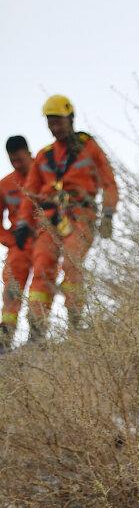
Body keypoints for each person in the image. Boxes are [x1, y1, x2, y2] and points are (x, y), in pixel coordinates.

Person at [17, 98, 117, 338]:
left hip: (80, 215)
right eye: (50, 122)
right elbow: (29, 194)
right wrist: (23, 223)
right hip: (50, 219)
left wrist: (108, 214)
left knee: (72, 264)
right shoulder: (44, 155)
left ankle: (75, 320)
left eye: (57, 121)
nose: (54, 126)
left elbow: (109, 183)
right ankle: (37, 330)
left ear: (70, 118)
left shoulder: (89, 147)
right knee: (41, 268)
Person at [0, 135, 34, 348]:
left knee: (43, 284)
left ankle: (38, 332)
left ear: (29, 154)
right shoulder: (5, 185)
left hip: (44, 241)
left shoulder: (44, 176)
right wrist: (9, 241)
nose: (17, 164)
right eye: (13, 160)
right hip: (19, 246)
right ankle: (5, 338)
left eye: (20, 159)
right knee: (11, 288)